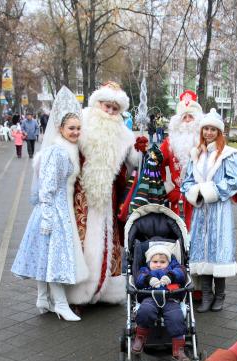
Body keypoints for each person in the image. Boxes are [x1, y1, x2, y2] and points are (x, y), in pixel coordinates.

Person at [11, 87, 89, 321]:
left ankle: (43, 299)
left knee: (46, 254)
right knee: (56, 257)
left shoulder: (66, 149)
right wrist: (47, 216)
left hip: (58, 208)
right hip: (54, 210)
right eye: (71, 128)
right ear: (60, 129)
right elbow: (47, 188)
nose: (75, 132)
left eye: (78, 128)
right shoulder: (57, 152)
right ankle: (61, 304)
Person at [66, 81, 146, 307]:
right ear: (96, 103)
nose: (110, 112)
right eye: (106, 106)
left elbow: (134, 164)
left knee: (108, 242)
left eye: (115, 108)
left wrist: (141, 150)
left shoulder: (124, 134)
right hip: (81, 196)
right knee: (81, 242)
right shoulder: (81, 123)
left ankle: (106, 291)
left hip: (109, 198)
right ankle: (77, 294)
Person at [181, 108, 237, 312]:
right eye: (205, 129)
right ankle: (206, 296)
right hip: (201, 212)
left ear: (219, 132)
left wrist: (210, 191)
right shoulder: (197, 154)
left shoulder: (229, 154)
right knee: (203, 252)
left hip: (219, 211)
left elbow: (236, 181)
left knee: (219, 252)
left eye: (213, 129)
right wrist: (195, 192)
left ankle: (220, 295)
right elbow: (187, 181)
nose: (208, 132)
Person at [132, 244, 190, 361]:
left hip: (170, 299)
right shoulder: (145, 270)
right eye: (155, 261)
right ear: (149, 262)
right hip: (149, 297)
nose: (158, 264)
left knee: (176, 317)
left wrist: (171, 276)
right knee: (145, 311)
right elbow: (138, 279)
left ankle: (178, 349)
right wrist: (148, 279)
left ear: (168, 262)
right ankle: (140, 337)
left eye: (162, 262)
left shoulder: (173, 269)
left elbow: (182, 272)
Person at [160, 90, 202, 231]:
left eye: (191, 116)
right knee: (179, 236)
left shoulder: (204, 142)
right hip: (178, 200)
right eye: (184, 117)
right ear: (178, 121)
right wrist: (167, 187)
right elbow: (157, 163)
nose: (188, 120)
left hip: (200, 199)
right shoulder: (169, 142)